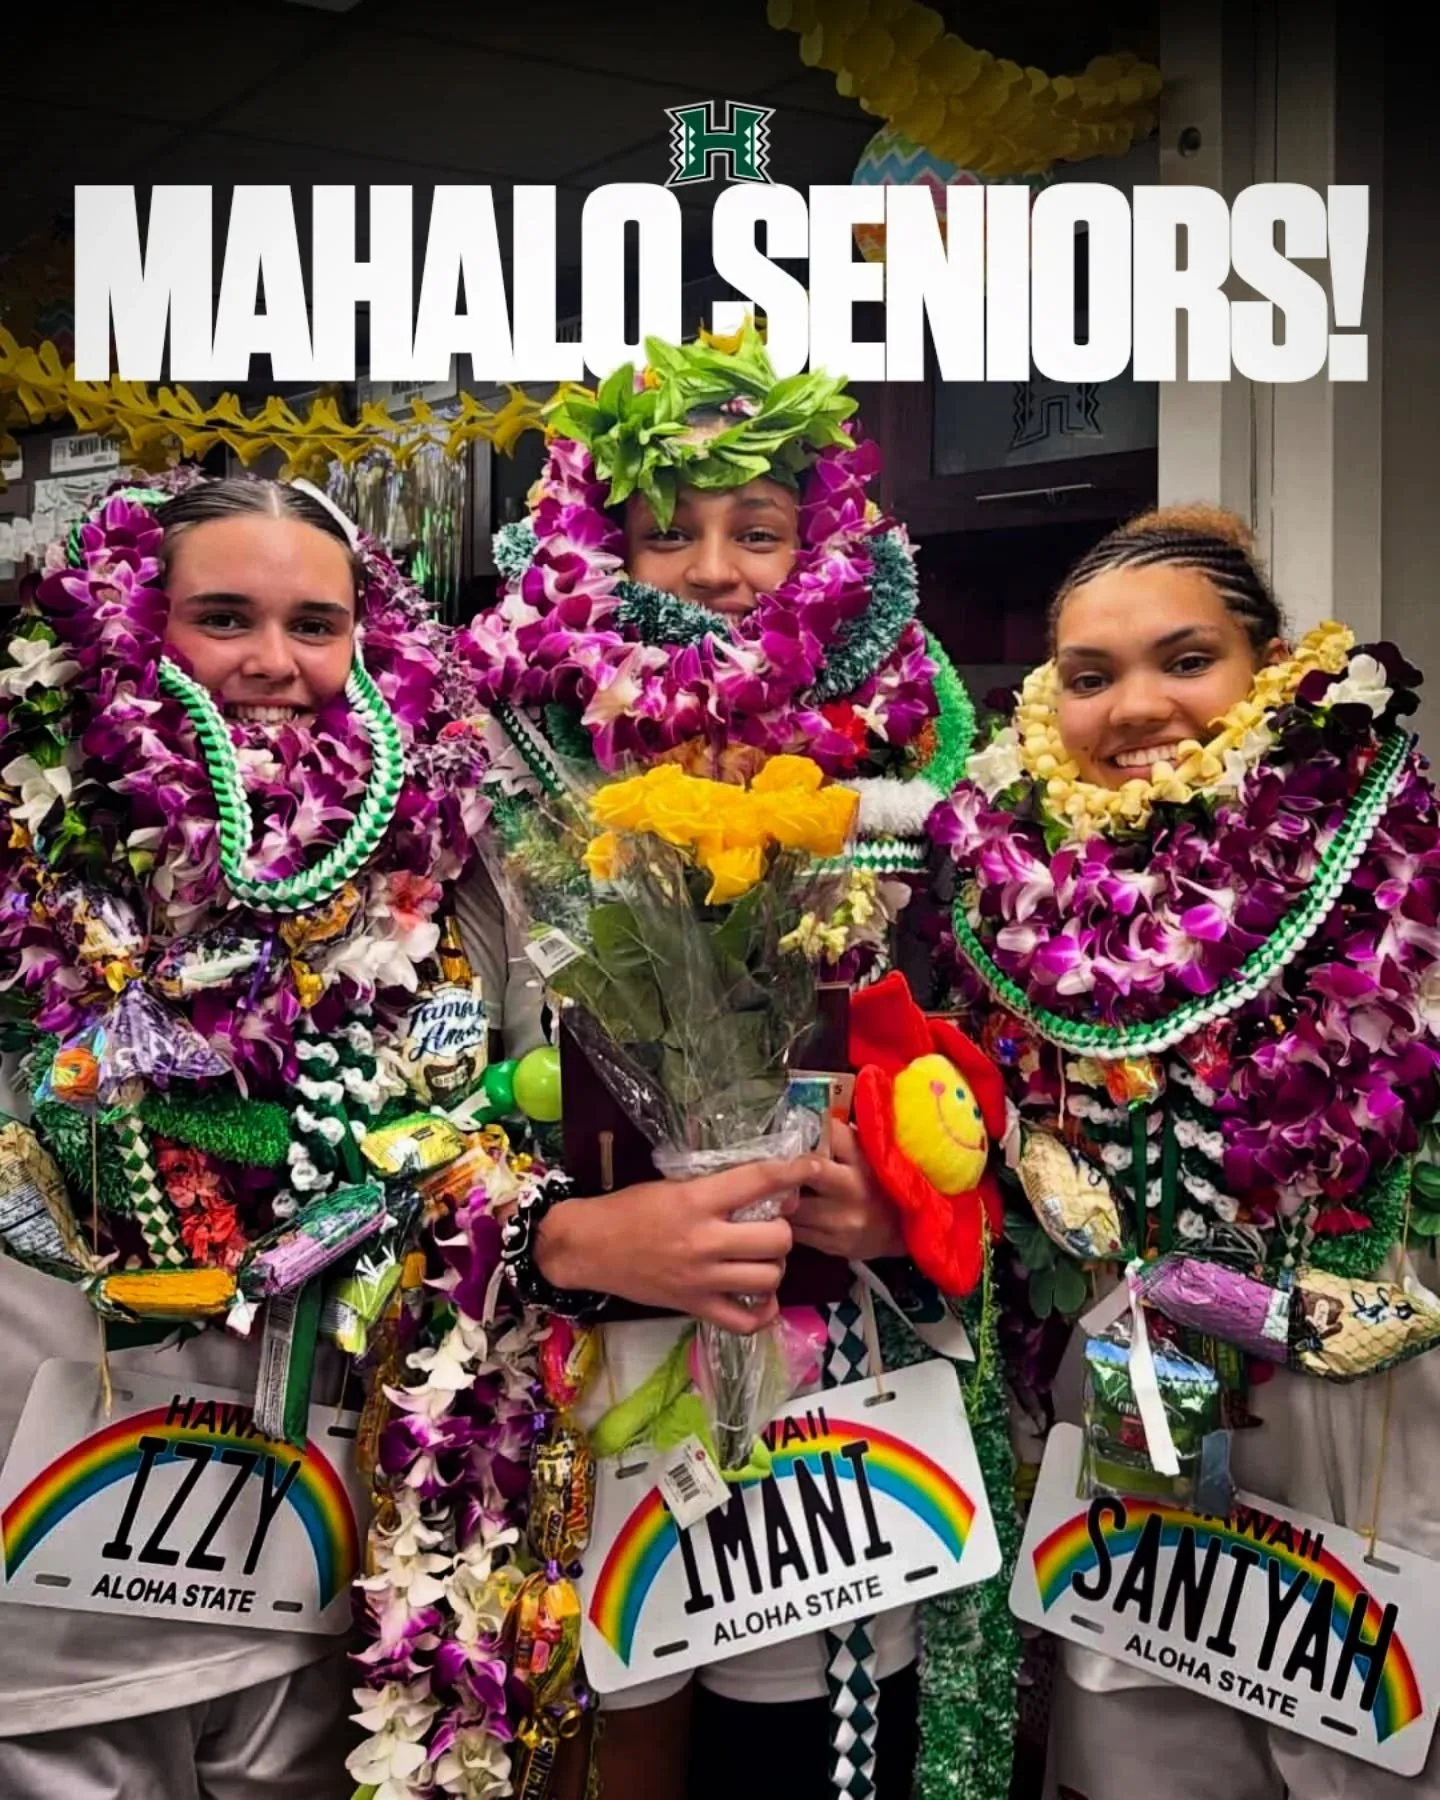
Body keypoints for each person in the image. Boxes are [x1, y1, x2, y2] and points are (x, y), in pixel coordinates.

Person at [0, 469, 816, 1800]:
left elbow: (485, 1117)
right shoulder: (32, 845)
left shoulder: (435, 860)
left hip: (331, 1556)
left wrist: (563, 1224)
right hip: (57, 1580)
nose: (276, 663)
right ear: (138, 626)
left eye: (316, 627)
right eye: (224, 618)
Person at [457, 322, 1017, 1800]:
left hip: (841, 1393)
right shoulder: (498, 780)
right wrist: (567, 1236)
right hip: (571, 1381)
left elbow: (995, 1095)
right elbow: (412, 1102)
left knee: (813, 1751)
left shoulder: (912, 789)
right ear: (596, 553)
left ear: (824, 554)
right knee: (605, 1740)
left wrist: (900, 1212)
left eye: (760, 531)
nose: (715, 570)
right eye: (668, 534)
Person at [929, 503, 1440, 1800]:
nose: (1138, 707)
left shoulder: (1398, 877)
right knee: (1134, 1747)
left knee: (1364, 1750)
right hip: (1132, 1391)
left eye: (1186, 660)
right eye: (1091, 678)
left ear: (1270, 669)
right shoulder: (1010, 908)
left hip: (1362, 1400)